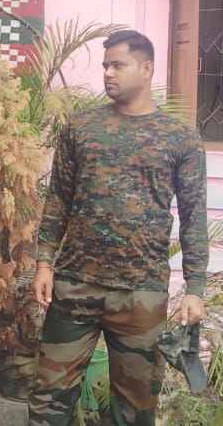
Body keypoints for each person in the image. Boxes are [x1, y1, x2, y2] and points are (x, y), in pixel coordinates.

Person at [29, 30, 208, 426]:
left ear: (146, 68)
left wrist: (195, 288)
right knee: (48, 402)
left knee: (134, 408)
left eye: (118, 65)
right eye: (105, 65)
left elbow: (194, 216)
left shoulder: (180, 138)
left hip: (140, 293)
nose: (108, 73)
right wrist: (44, 263)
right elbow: (58, 199)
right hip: (75, 285)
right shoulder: (81, 128)